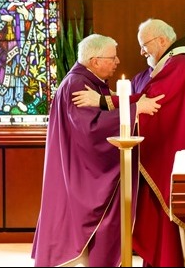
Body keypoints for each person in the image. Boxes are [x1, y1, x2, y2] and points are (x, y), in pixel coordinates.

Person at [73, 19, 185, 267]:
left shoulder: (179, 64)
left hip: (182, 159)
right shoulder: (181, 64)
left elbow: (154, 101)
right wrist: (118, 101)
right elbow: (152, 100)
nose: (142, 52)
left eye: (144, 45)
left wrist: (104, 102)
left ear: (161, 41)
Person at [31, 33, 164, 267]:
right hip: (80, 172)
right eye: (112, 58)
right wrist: (135, 110)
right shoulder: (76, 84)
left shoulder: (89, 82)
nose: (117, 62)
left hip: (78, 167)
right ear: (94, 61)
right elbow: (91, 130)